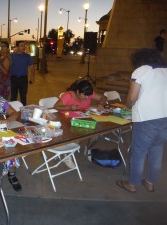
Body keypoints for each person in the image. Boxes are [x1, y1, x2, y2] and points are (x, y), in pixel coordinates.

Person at [116, 48, 167, 193]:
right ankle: (150, 183)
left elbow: (132, 98)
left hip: (146, 119)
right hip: (165, 118)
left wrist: (127, 107)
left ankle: (132, 184)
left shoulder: (142, 70)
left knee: (139, 153)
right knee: (157, 151)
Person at [53, 80, 107, 168]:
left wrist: (101, 103)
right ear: (78, 92)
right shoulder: (68, 96)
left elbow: (104, 97)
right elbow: (56, 107)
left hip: (82, 118)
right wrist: (69, 107)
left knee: (96, 133)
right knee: (77, 134)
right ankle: (67, 156)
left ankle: (88, 149)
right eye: (84, 95)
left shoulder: (88, 94)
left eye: (88, 95)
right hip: (67, 120)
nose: (87, 97)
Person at [10, 41, 35, 106]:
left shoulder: (27, 56)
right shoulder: (12, 56)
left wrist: (32, 77)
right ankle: (13, 111)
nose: (23, 47)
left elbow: (32, 67)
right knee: (13, 97)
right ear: (17, 47)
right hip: (13, 79)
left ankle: (24, 112)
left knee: (23, 97)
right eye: (21, 45)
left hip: (23, 79)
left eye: (24, 46)